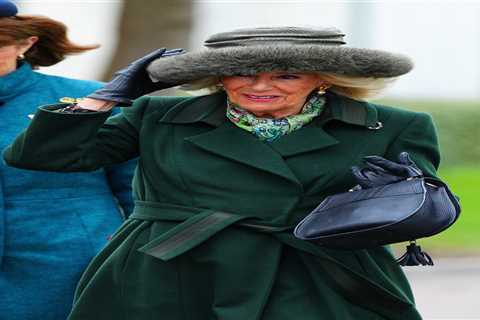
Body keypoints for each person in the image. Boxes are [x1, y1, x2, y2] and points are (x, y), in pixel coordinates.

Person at [4, 25, 442, 320]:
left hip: (318, 276)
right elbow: (41, 157)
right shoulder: (159, 115)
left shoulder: (395, 126)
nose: (260, 86)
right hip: (172, 273)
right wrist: (102, 100)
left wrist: (397, 197)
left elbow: (423, 206)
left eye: (286, 75)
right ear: (217, 78)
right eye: (240, 73)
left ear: (322, 78)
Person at [0, 2, 136, 319]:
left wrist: (137, 260)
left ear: (25, 42)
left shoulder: (93, 100)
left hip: (74, 269)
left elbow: (138, 190)